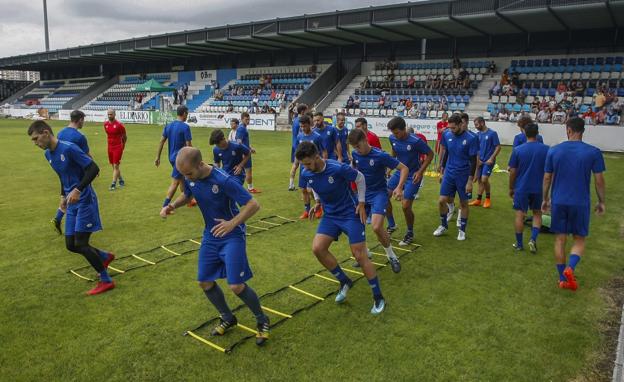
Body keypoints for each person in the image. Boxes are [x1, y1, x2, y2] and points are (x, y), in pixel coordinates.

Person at [160, 147, 270, 345]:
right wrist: (172, 206)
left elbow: (253, 204)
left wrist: (232, 223)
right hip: (210, 236)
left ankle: (262, 320)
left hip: (232, 235)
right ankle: (228, 317)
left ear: (201, 165)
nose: (186, 178)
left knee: (236, 285)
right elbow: (188, 194)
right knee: (204, 281)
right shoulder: (191, 177)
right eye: (183, 174)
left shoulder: (223, 180)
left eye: (189, 173)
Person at [296, 141, 386, 315]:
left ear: (317, 157)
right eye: (303, 165)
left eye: (307, 163)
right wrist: (318, 202)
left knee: (359, 255)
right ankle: (344, 281)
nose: (305, 167)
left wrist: (361, 203)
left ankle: (378, 296)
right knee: (317, 248)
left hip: (350, 214)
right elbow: (313, 185)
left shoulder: (337, 168)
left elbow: (360, 178)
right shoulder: (307, 172)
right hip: (330, 216)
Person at [29, 121, 115, 295]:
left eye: (36, 139)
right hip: (71, 202)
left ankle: (106, 280)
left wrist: (78, 189)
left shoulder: (69, 148)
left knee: (81, 243)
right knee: (70, 244)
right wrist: (63, 196)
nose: (35, 143)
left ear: (46, 133)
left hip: (85, 200)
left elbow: (93, 168)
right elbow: (63, 176)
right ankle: (104, 256)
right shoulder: (48, 155)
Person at [542, 117, 606, 291]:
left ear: (568, 130)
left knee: (560, 239)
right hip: (580, 202)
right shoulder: (593, 152)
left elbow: (547, 177)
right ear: (582, 131)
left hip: (559, 201)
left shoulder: (554, 150)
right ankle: (571, 268)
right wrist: (601, 201)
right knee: (579, 239)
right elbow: (599, 180)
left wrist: (545, 199)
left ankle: (563, 277)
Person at [349, 128, 408, 273]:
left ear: (365, 140)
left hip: (378, 194)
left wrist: (399, 187)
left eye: (358, 146)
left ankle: (392, 256)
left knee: (376, 227)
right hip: (362, 195)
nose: (357, 149)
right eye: (354, 147)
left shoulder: (380, 155)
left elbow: (404, 168)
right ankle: (364, 254)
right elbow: (355, 169)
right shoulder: (355, 154)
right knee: (354, 226)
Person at [386, 117, 434, 245]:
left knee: (406, 205)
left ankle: (410, 232)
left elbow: (430, 154)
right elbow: (394, 152)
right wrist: (390, 167)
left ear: (404, 129)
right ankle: (391, 225)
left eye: (396, 132)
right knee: (383, 195)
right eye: (393, 133)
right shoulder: (392, 138)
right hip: (399, 173)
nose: (394, 135)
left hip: (413, 175)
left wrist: (420, 172)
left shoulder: (416, 141)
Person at [433, 113, 479, 241]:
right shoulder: (447, 134)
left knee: (463, 203)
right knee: (442, 200)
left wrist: (470, 181)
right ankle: (443, 225)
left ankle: (462, 230)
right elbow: (446, 152)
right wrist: (442, 171)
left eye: (453, 128)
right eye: (449, 127)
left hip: (463, 174)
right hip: (449, 172)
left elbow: (473, 160)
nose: (451, 130)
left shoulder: (471, 138)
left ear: (461, 124)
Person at [508, 122, 549, 253]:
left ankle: (519, 244)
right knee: (537, 213)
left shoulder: (518, 150)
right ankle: (533, 239)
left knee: (520, 215)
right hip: (539, 187)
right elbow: (550, 171)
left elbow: (512, 171)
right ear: (537, 133)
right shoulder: (547, 149)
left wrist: (511, 187)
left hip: (522, 187)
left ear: (524, 133)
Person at [51, 110, 91, 235]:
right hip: (78, 173)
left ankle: (58, 218)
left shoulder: (60, 133)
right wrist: (92, 167)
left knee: (66, 196)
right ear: (80, 119)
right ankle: (79, 226)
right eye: (83, 120)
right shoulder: (79, 137)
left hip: (64, 171)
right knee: (81, 199)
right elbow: (86, 155)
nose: (83, 122)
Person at [155, 105, 194, 209]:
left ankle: (188, 200)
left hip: (171, 158)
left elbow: (161, 141)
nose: (187, 116)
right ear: (184, 113)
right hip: (180, 159)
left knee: (182, 179)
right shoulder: (185, 127)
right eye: (187, 113)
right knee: (175, 182)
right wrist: (194, 158)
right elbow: (189, 145)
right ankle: (165, 206)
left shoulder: (169, 126)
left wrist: (157, 157)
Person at [290, 115, 323, 219]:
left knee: (312, 190)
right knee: (303, 190)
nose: (303, 128)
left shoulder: (317, 137)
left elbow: (322, 153)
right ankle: (307, 211)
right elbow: (298, 153)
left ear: (309, 124)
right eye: (301, 126)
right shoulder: (300, 137)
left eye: (304, 126)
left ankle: (319, 207)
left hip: (313, 168)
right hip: (303, 169)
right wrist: (295, 166)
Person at [470, 117, 501, 208]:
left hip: (488, 162)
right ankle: (478, 200)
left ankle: (487, 199)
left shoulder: (492, 133)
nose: (476, 127)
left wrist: (491, 158)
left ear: (482, 123)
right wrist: (477, 160)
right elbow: (476, 149)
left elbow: (498, 147)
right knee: (479, 180)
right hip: (480, 161)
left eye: (477, 125)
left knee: (484, 179)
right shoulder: (477, 135)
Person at [104, 109, 127, 191]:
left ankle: (113, 183)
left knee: (116, 165)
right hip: (109, 147)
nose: (109, 116)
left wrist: (122, 146)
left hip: (117, 147)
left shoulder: (119, 125)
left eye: (111, 114)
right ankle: (121, 179)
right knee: (113, 166)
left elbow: (124, 137)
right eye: (108, 114)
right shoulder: (105, 124)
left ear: (114, 114)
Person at [236, 112, 260, 193]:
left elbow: (243, 141)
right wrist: (243, 152)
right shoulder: (241, 128)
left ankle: (243, 187)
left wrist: (250, 147)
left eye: (249, 119)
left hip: (245, 152)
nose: (248, 121)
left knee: (242, 171)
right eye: (246, 119)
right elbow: (238, 141)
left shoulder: (243, 127)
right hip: (244, 154)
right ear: (242, 119)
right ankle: (250, 188)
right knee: (248, 170)